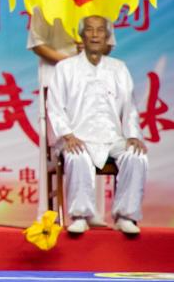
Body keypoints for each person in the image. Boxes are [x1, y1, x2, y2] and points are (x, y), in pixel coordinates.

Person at [47, 16, 148, 236]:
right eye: (90, 30)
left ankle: (125, 216)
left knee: (136, 155)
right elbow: (54, 106)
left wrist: (133, 135)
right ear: (81, 36)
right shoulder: (65, 68)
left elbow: (130, 106)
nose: (95, 35)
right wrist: (68, 135)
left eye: (100, 30)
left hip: (111, 138)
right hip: (77, 136)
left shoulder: (119, 68)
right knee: (77, 155)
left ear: (107, 37)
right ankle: (81, 216)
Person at [27, 7, 115, 222]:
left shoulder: (100, 0)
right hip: (56, 77)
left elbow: (109, 44)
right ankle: (49, 213)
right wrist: (69, 62)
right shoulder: (45, 0)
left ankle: (92, 212)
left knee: (96, 141)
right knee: (61, 145)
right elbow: (37, 43)